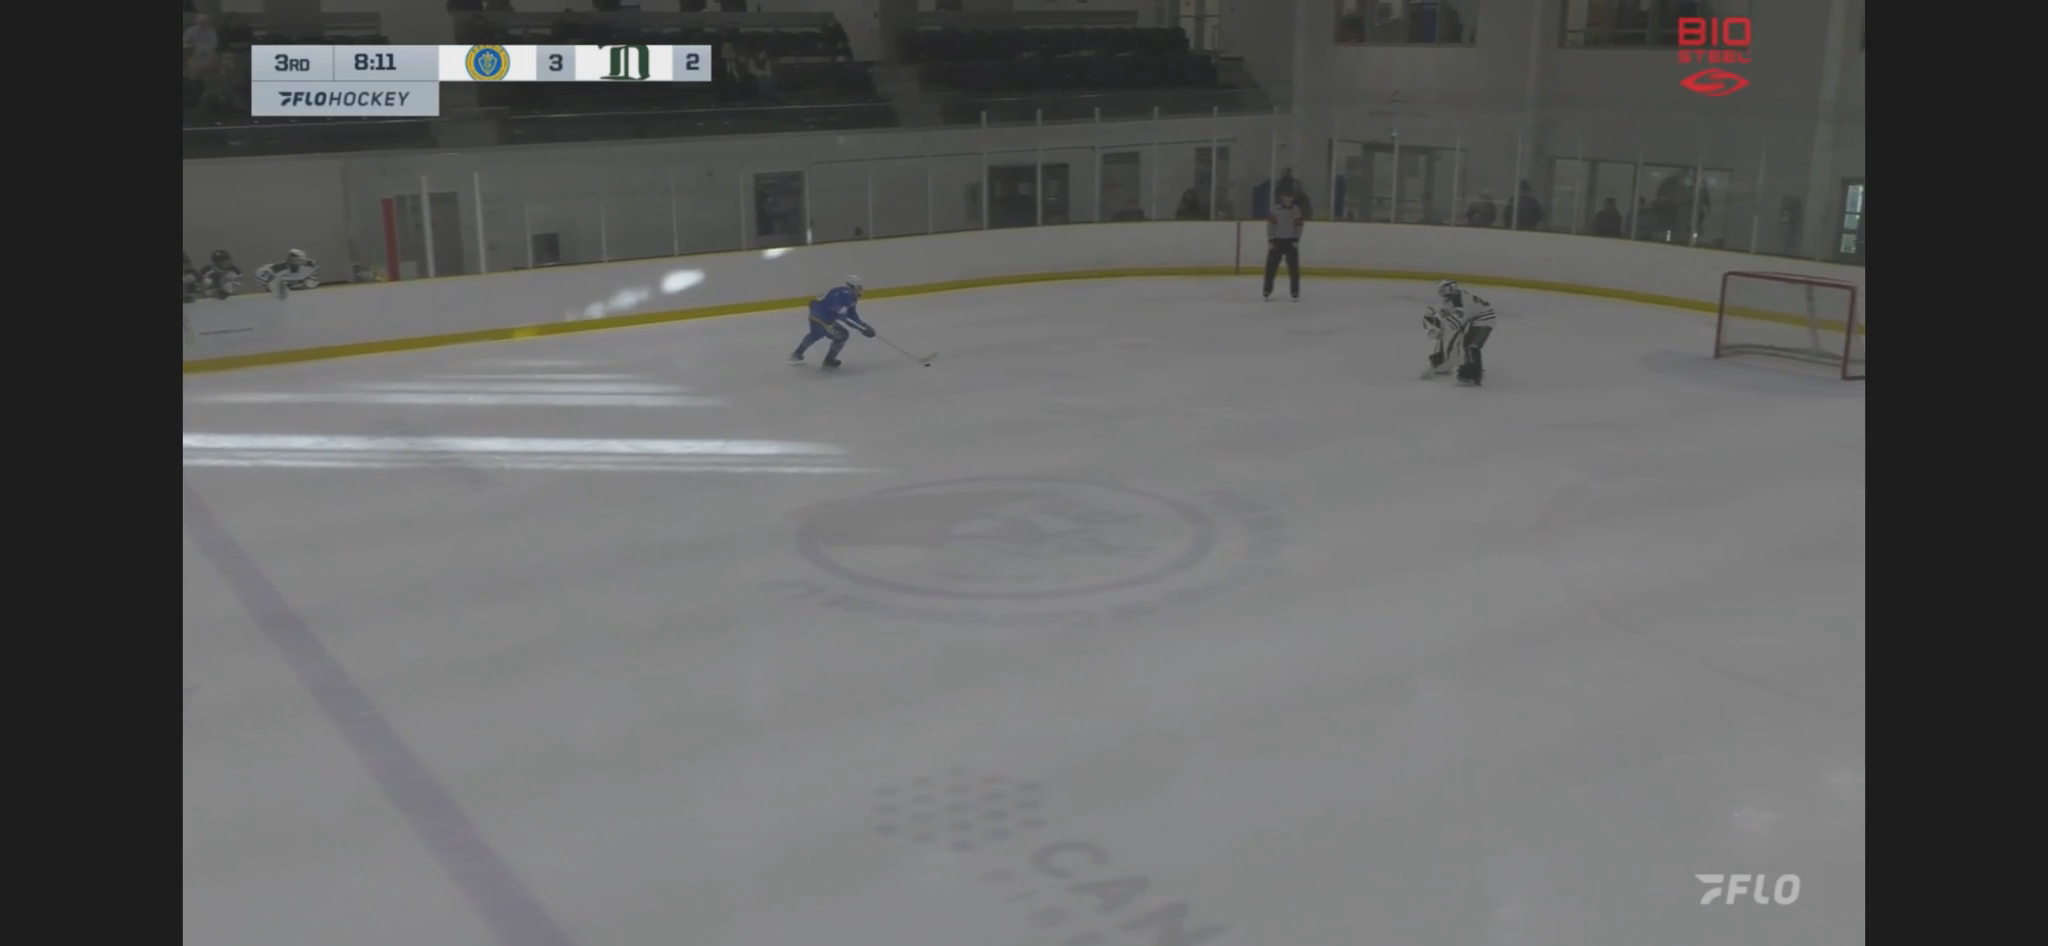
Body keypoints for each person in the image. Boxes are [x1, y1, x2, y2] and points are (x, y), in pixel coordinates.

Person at [1420, 279, 1496, 385]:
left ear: (1450, 289)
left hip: (1485, 318)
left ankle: (1472, 375)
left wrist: (1437, 322)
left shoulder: (1460, 301)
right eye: (1440, 289)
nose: (1441, 292)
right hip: (1472, 317)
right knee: (1456, 340)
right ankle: (1443, 361)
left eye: (1443, 289)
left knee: (1471, 344)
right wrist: (1435, 320)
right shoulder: (1449, 299)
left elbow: (1454, 324)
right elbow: (1446, 317)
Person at [791, 276, 873, 368]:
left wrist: (863, 325)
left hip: (820, 317)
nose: (861, 290)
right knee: (840, 335)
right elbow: (844, 317)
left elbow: (851, 314)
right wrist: (861, 328)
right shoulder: (846, 296)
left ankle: (797, 354)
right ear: (852, 287)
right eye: (859, 287)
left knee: (815, 335)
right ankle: (827, 360)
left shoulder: (847, 295)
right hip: (821, 319)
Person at [1263, 190, 1304, 301]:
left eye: (1289, 197)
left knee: (1293, 268)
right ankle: (1267, 289)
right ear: (1281, 198)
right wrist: (1271, 238)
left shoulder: (1296, 211)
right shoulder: (1276, 209)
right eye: (1285, 196)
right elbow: (1270, 225)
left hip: (1291, 242)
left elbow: (1299, 227)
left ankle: (1294, 291)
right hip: (1277, 241)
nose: (1287, 199)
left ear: (1292, 199)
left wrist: (1296, 239)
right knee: (1271, 267)